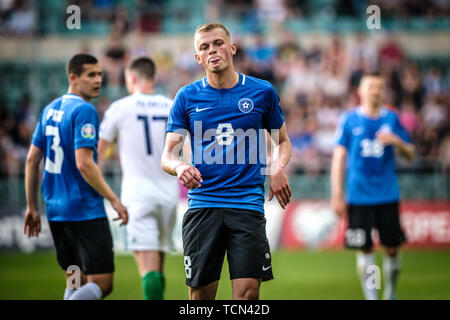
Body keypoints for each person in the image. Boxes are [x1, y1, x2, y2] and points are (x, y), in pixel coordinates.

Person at [161, 22, 292, 300]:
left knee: (247, 296)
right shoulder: (186, 97)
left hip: (246, 205)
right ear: (198, 58)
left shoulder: (262, 92)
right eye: (204, 47)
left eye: (218, 43)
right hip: (203, 206)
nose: (212, 51)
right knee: (200, 299)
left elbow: (282, 142)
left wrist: (277, 166)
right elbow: (167, 155)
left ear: (232, 48)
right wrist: (180, 166)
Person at [24, 53, 128, 300]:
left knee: (75, 279)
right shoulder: (84, 110)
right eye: (91, 75)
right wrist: (114, 199)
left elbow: (31, 160)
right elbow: (85, 164)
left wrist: (32, 207)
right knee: (102, 283)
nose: (98, 80)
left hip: (57, 212)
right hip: (84, 211)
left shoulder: (49, 109)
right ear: (73, 78)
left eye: (100, 74)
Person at [98, 57, 179, 300]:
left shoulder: (120, 108)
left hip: (138, 195)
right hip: (169, 194)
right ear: (154, 78)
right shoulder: (172, 105)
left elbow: (97, 154)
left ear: (131, 78)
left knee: (148, 270)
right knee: (159, 263)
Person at [331, 71, 414, 300]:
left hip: (387, 195)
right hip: (358, 196)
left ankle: (391, 292)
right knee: (365, 248)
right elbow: (338, 157)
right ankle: (371, 297)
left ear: (383, 91)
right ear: (360, 91)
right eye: (370, 87)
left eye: (378, 87)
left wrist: (397, 141)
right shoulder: (349, 119)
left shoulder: (392, 119)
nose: (374, 91)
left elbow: (410, 154)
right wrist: (337, 194)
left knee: (392, 248)